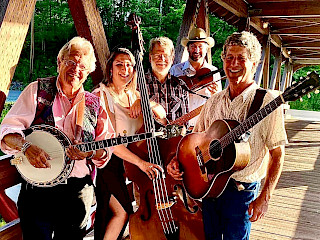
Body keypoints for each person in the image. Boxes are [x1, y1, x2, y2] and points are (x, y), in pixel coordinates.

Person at [167, 31, 287, 239]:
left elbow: (277, 154)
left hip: (242, 192)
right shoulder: (214, 100)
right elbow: (194, 141)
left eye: (241, 58)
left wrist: (265, 197)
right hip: (210, 187)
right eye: (229, 57)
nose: (234, 64)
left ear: (255, 63)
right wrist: (177, 161)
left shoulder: (266, 102)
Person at [0, 37, 115, 239]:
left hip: (78, 192)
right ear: (59, 62)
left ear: (88, 72)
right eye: (71, 61)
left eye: (82, 66)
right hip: (37, 192)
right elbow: (7, 132)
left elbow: (105, 150)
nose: (75, 69)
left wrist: (91, 151)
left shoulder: (95, 103)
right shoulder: (36, 91)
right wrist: (26, 146)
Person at [92, 48, 164, 240]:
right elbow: (109, 141)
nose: (125, 69)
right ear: (110, 69)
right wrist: (141, 164)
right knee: (121, 213)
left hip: (129, 164)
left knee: (109, 216)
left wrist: (147, 104)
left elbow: (164, 119)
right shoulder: (101, 95)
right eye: (119, 64)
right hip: (108, 164)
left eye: (129, 65)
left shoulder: (134, 96)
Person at [170, 27, 222, 126]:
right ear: (187, 48)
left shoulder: (214, 72)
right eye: (193, 46)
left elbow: (218, 105)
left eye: (200, 46)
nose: (196, 50)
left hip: (203, 126)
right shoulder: (175, 70)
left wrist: (215, 95)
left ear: (206, 49)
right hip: (180, 126)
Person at [145, 36, 189, 123]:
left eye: (166, 56)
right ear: (150, 58)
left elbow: (184, 122)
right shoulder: (138, 84)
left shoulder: (181, 86)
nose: (162, 59)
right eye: (157, 55)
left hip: (174, 136)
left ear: (172, 59)